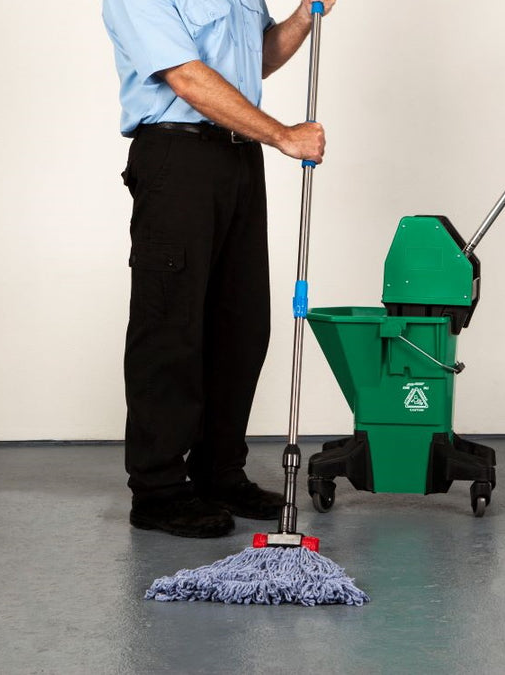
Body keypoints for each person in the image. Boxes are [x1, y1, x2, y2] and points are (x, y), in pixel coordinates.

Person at [102, 0, 335, 538]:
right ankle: (159, 491)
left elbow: (258, 58)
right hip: (177, 157)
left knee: (241, 327)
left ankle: (218, 473)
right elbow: (185, 76)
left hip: (239, 157)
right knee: (170, 328)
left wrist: (304, 14)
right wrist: (282, 134)